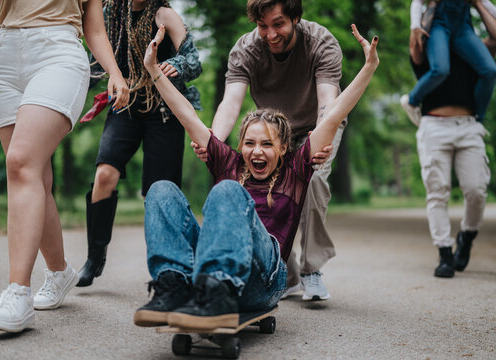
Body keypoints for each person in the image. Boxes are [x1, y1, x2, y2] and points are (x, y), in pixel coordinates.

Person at [132, 24, 378, 329]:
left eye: (266, 144)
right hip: (207, 275)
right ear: (240, 146)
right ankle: (173, 285)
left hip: (263, 280)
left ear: (283, 148)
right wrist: (152, 68)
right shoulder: (228, 165)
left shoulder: (296, 170)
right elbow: (186, 115)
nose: (257, 152)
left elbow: (334, 114)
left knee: (229, 192)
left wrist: (368, 68)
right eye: (249, 143)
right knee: (161, 190)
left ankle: (220, 289)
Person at [0, 0, 129, 333]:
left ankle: (17, 293)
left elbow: (93, 26)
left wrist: (115, 73)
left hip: (58, 54)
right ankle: (60, 271)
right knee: (33, 176)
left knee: (20, 163)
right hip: (5, 56)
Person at [192, 0, 344, 301]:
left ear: (296, 19)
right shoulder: (246, 49)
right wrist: (214, 142)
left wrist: (319, 141)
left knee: (312, 181)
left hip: (319, 124)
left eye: (279, 24)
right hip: (273, 132)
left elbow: (329, 100)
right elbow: (231, 101)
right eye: (263, 26)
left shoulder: (322, 42)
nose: (271, 34)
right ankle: (284, 272)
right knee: (264, 188)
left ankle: (311, 270)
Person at [76, 0, 202, 287]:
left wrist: (176, 63)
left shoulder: (165, 15)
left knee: (158, 193)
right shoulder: (110, 13)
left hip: (164, 110)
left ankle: (169, 267)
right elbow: (95, 59)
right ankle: (94, 258)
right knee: (104, 174)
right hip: (126, 103)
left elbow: (194, 60)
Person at [406, 1, 496, 278]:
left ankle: (467, 237)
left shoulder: (474, 48)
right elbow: (420, 21)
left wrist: (477, 4)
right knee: (438, 191)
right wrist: (422, 19)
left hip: (469, 125)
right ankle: (445, 254)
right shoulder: (425, 48)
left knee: (476, 190)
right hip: (434, 126)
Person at [401, 0, 496, 123]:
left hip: (462, 27)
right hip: (440, 23)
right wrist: (415, 27)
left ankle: (478, 119)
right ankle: (412, 100)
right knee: (441, 70)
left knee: (490, 70)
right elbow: (417, 1)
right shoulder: (429, 47)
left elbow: (484, 3)